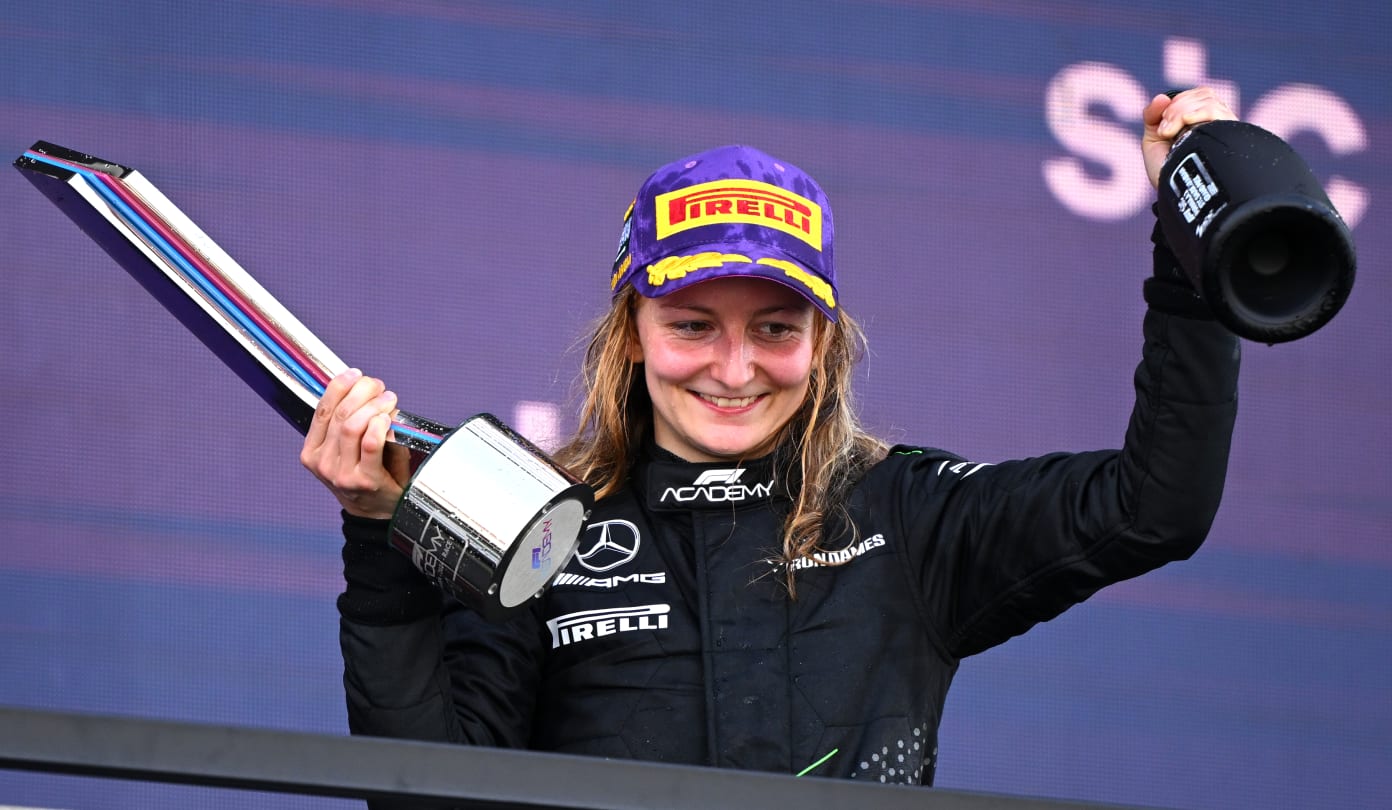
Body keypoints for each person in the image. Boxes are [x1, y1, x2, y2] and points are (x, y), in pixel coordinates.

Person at [301, 88, 1240, 789]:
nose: (736, 367)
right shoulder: (539, 522)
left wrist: (1193, 240)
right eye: (693, 325)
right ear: (632, 331)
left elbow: (1154, 508)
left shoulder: (904, 513)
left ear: (823, 342)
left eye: (776, 329)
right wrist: (385, 543)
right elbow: (436, 798)